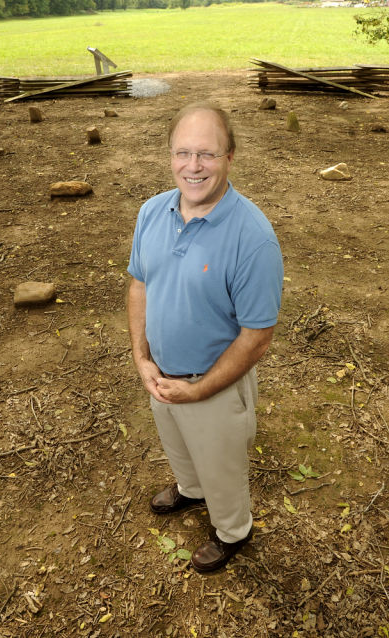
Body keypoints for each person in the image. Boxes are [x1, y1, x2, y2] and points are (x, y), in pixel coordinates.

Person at [126, 102, 284, 572]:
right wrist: (142, 359)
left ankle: (233, 530)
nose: (193, 166)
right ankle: (191, 492)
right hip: (162, 375)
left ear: (230, 157)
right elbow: (140, 283)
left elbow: (257, 337)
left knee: (223, 470)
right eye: (183, 152)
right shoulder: (152, 212)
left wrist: (197, 390)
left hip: (213, 385)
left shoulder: (253, 238)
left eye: (207, 155)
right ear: (170, 155)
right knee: (180, 448)